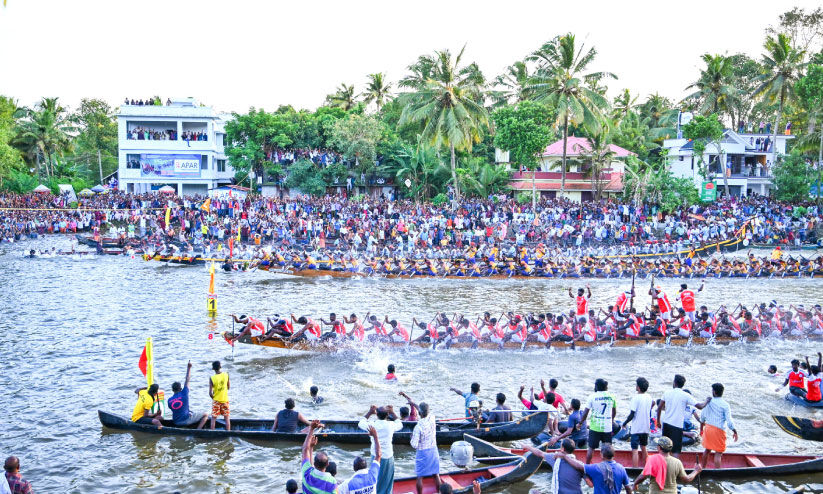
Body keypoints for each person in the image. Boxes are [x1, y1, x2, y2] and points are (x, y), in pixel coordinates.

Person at [657, 374, 710, 457]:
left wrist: (658, 422)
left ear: (674, 383)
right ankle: (675, 468)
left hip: (666, 425)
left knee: (665, 450)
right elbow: (700, 406)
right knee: (676, 451)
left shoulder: (667, 393)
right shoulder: (685, 395)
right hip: (677, 426)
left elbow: (659, 407)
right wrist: (707, 401)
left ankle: (664, 468)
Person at [632, 436, 702, 494]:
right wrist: (696, 471)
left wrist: (635, 484)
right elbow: (687, 479)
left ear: (659, 447)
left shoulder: (652, 460)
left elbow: (642, 477)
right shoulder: (677, 462)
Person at [358, 406, 403, 494]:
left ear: (376, 414)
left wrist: (370, 412)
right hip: (388, 456)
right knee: (388, 481)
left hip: (375, 456)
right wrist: (393, 412)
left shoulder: (372, 425)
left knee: (375, 480)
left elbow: (360, 423)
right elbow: (400, 424)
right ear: (387, 415)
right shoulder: (391, 425)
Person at [555, 443, 632, 494]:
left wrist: (564, 456)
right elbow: (628, 488)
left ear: (601, 455)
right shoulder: (621, 469)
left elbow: (579, 466)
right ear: (613, 455)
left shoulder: (596, 468)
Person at [699, 383, 739, 468]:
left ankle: (702, 468)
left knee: (707, 450)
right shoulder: (725, 405)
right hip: (719, 430)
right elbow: (729, 421)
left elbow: (702, 417)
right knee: (718, 453)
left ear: (714, 392)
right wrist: (734, 431)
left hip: (708, 428)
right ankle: (717, 471)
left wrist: (701, 429)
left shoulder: (708, 402)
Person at [581, 378, 617, 464]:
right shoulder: (611, 396)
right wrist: (611, 420)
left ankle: (587, 466)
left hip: (595, 427)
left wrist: (580, 423)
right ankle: (607, 466)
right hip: (607, 427)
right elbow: (614, 411)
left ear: (596, 386)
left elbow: (586, 412)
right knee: (607, 449)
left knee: (591, 449)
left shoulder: (592, 396)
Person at [338, 426, 381, 494]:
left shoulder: (348, 483)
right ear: (366, 466)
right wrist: (375, 436)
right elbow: (378, 455)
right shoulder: (372, 475)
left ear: (354, 468)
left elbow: (334, 491)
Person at [621, 377, 653, 467]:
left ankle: (635, 468)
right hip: (645, 427)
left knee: (635, 450)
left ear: (638, 387)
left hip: (636, 428)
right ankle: (647, 467)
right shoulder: (649, 397)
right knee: (644, 447)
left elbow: (632, 414)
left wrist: (624, 423)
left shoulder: (636, 398)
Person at [168, 361, 208, 429]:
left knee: (189, 412)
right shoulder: (184, 393)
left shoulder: (169, 400)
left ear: (172, 390)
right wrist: (189, 368)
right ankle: (198, 430)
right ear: (180, 389)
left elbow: (177, 410)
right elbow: (187, 379)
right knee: (205, 415)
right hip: (185, 421)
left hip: (176, 422)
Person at [410, 402, 440, 494]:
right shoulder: (432, 418)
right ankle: (439, 492)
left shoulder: (418, 427)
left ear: (419, 413)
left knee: (420, 476)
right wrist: (413, 403)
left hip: (423, 452)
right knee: (436, 474)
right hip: (433, 450)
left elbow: (414, 445)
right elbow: (423, 410)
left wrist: (411, 438)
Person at [300, 420, 337, 494]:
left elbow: (304, 449)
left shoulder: (307, 474)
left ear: (314, 464)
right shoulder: (332, 481)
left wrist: (311, 429)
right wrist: (311, 448)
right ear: (327, 464)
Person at [209, 360, 230, 430]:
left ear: (213, 369)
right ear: (220, 366)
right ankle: (228, 433)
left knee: (213, 418)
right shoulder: (226, 375)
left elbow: (210, 393)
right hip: (225, 400)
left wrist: (214, 398)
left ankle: (212, 432)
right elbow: (228, 387)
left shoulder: (212, 378)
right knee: (226, 417)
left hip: (216, 400)